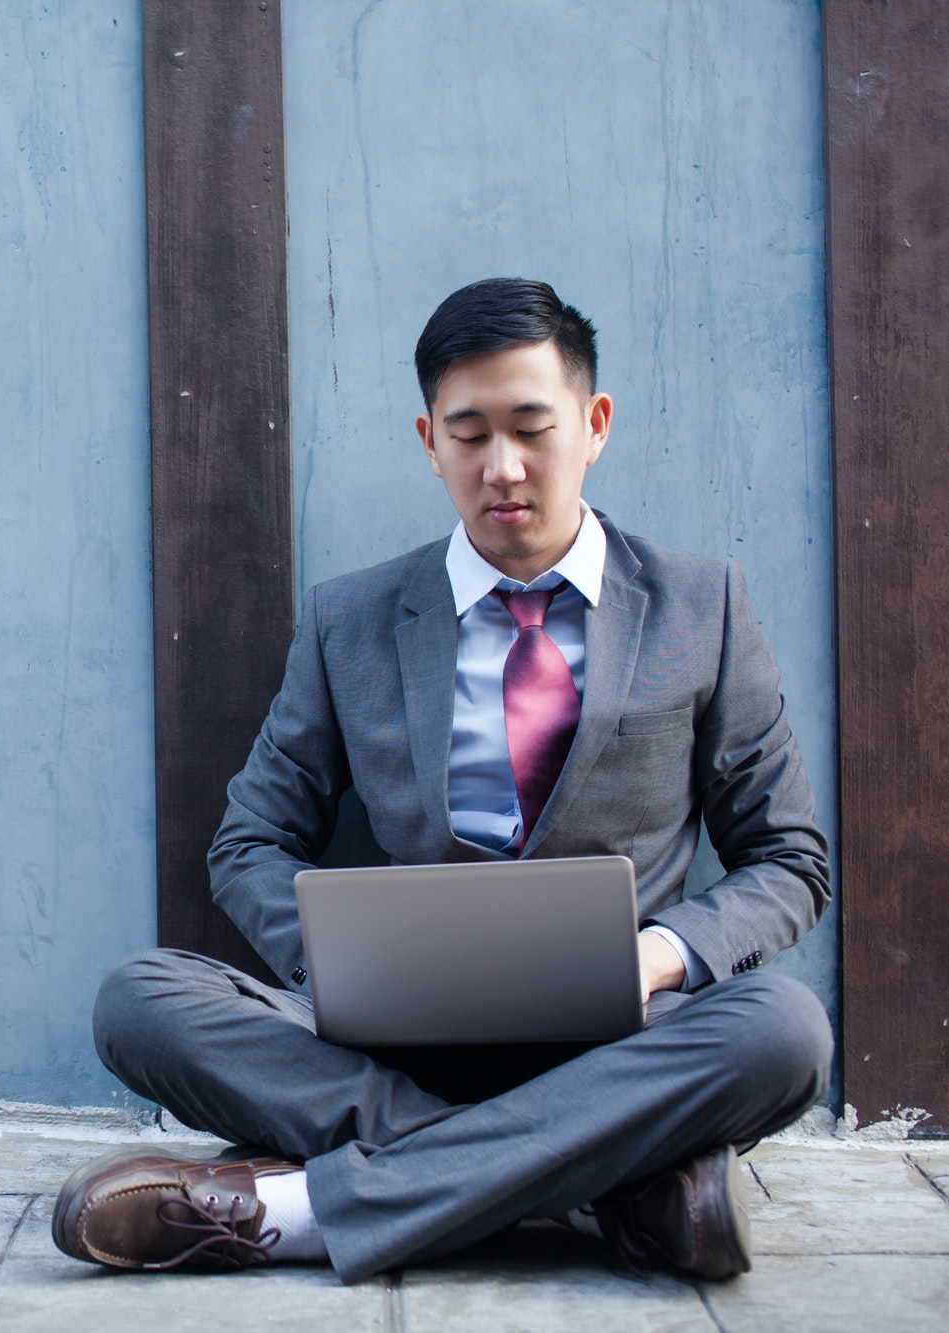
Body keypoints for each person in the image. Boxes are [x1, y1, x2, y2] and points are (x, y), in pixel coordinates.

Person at [52, 278, 832, 1284]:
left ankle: (299, 1210)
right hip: (391, 1039)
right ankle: (611, 1183)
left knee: (780, 1031)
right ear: (428, 441)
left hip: (616, 1037)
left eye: (530, 428)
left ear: (591, 426)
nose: (501, 467)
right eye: (467, 435)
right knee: (138, 1000)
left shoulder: (698, 605)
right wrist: (337, 962)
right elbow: (248, 840)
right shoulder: (354, 618)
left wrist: (654, 955)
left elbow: (786, 858)